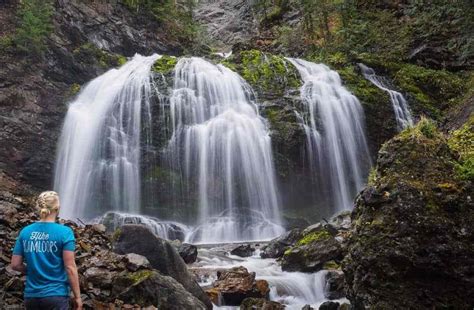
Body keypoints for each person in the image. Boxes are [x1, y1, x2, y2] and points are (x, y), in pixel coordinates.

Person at [10, 191, 83, 310]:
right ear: (57, 208)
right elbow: (70, 267)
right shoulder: (65, 232)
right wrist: (78, 297)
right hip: (56, 295)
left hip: (31, 296)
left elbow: (15, 265)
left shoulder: (25, 232)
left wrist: (33, 269)